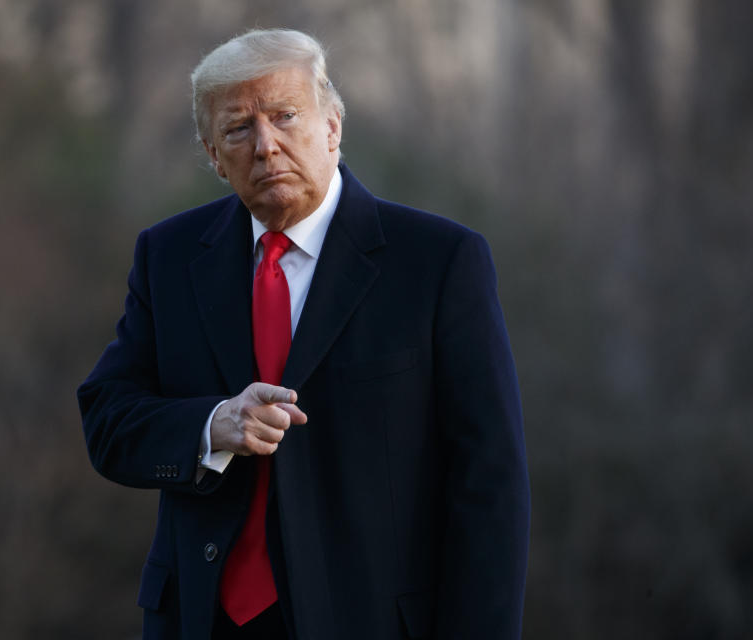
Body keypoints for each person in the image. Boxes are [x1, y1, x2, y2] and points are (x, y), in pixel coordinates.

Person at [78, 28, 529, 640]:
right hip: (202, 618)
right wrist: (212, 426)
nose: (266, 145)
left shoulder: (439, 262)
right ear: (214, 155)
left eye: (286, 116)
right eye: (238, 128)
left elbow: (490, 483)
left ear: (333, 127)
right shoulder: (169, 256)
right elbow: (108, 420)